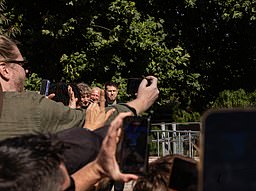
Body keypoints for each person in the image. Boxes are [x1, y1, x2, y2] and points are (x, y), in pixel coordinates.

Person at [0, 35, 159, 140]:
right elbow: (93, 120)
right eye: (22, 64)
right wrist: (141, 102)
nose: (26, 71)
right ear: (4, 69)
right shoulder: (30, 106)